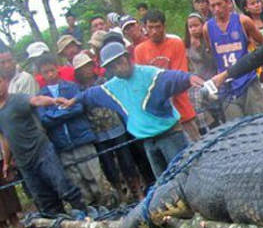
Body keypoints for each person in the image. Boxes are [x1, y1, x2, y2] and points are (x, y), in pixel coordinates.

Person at [58, 42, 203, 178]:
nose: (118, 69)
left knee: (185, 175)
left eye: (119, 62)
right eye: (112, 67)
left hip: (170, 135)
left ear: (127, 58)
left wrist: (189, 78)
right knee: (165, 182)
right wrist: (73, 100)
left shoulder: (149, 74)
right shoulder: (112, 87)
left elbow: (172, 77)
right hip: (147, 141)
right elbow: (90, 94)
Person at [0, 76, 88, 216]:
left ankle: (85, 214)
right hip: (24, 161)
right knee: (44, 199)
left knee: (63, 185)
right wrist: (6, 162)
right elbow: (5, 137)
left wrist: (53, 100)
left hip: (41, 150)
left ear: (4, 82)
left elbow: (36, 100)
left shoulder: (17, 100)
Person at [35, 54, 111, 205]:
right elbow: (43, 119)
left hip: (82, 139)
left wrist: (56, 114)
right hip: (61, 145)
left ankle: (110, 206)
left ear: (57, 69)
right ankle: (91, 214)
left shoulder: (71, 87)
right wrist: (65, 110)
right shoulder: (40, 96)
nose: (50, 74)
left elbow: (78, 107)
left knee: (96, 178)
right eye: (46, 72)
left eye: (52, 70)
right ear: (41, 74)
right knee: (78, 183)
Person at [73, 52, 144, 201]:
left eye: (87, 66)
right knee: (108, 166)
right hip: (97, 132)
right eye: (81, 68)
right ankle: (120, 194)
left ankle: (137, 191)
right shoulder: (78, 90)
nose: (86, 70)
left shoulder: (106, 81)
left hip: (117, 126)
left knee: (127, 160)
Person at [203, 0, 263, 120]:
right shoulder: (207, 28)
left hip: (248, 79)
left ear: (227, 3)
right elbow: (212, 53)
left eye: (219, 4)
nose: (217, 9)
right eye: (213, 6)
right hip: (226, 85)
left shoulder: (243, 21)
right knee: (237, 127)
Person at [134, 10, 200, 142]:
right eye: (150, 27)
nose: (154, 31)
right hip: (159, 117)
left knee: (197, 146)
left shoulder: (176, 43)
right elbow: (142, 82)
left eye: (157, 27)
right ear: (145, 28)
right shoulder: (140, 50)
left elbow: (179, 75)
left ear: (164, 26)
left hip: (182, 108)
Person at [184, 13, 224, 132]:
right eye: (190, 27)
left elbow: (214, 60)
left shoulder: (209, 40)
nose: (194, 29)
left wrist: (202, 48)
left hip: (214, 78)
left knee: (217, 103)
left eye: (196, 25)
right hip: (199, 81)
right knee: (197, 101)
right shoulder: (186, 45)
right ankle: (209, 127)